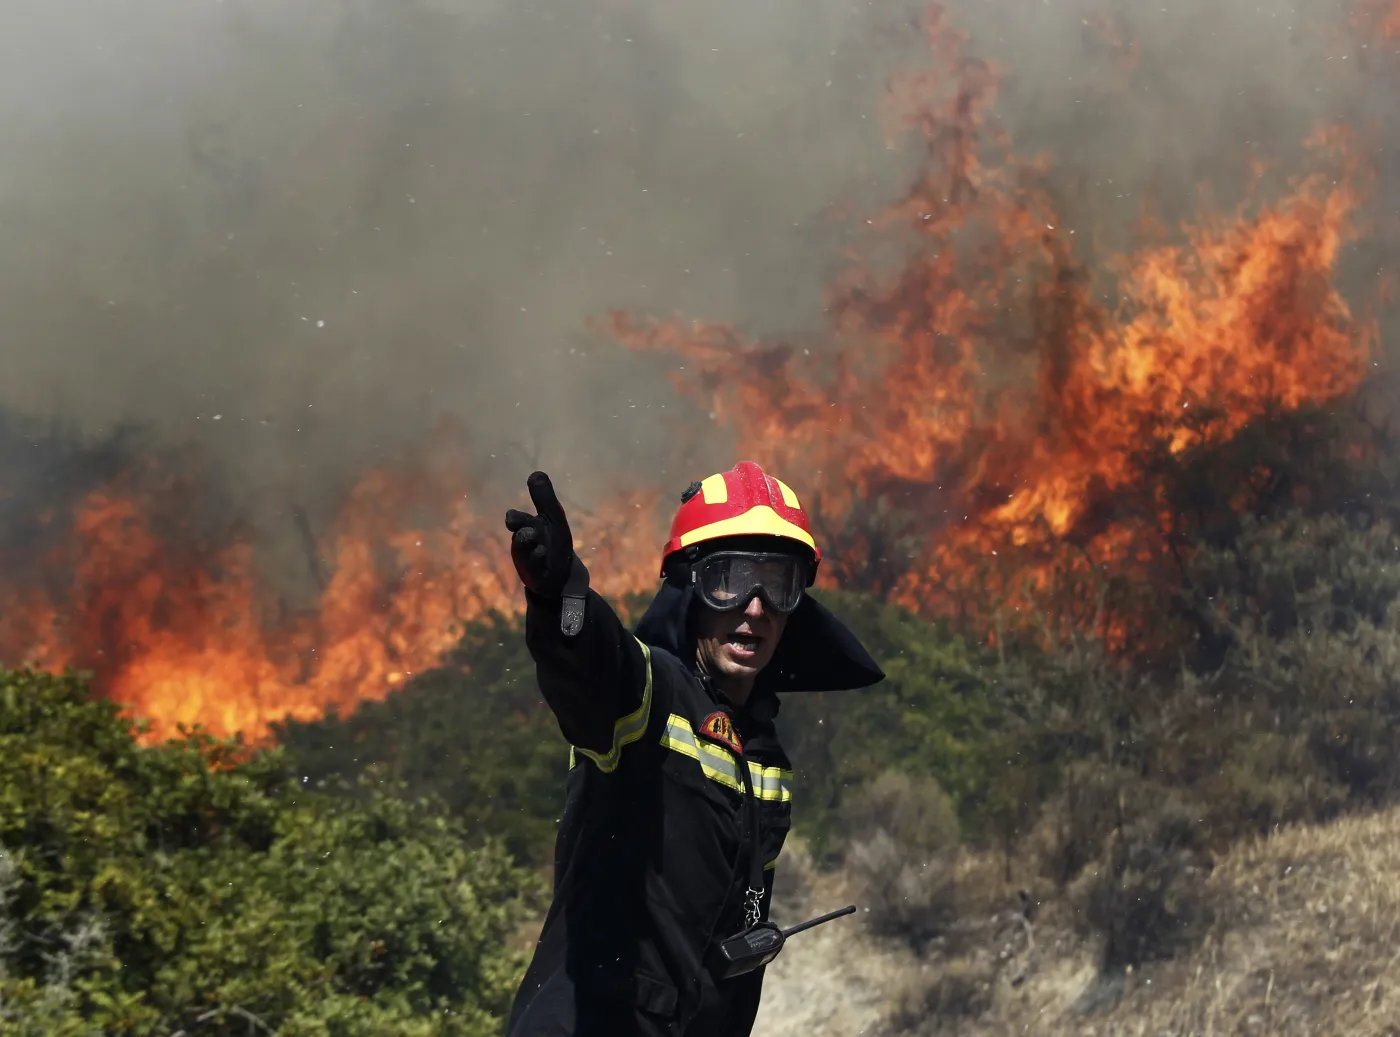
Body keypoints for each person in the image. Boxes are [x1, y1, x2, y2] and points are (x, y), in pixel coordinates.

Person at [502, 460, 884, 1037]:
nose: (754, 606)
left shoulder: (764, 759)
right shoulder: (650, 696)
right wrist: (564, 598)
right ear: (691, 590)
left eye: (777, 583)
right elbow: (593, 667)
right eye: (728, 578)